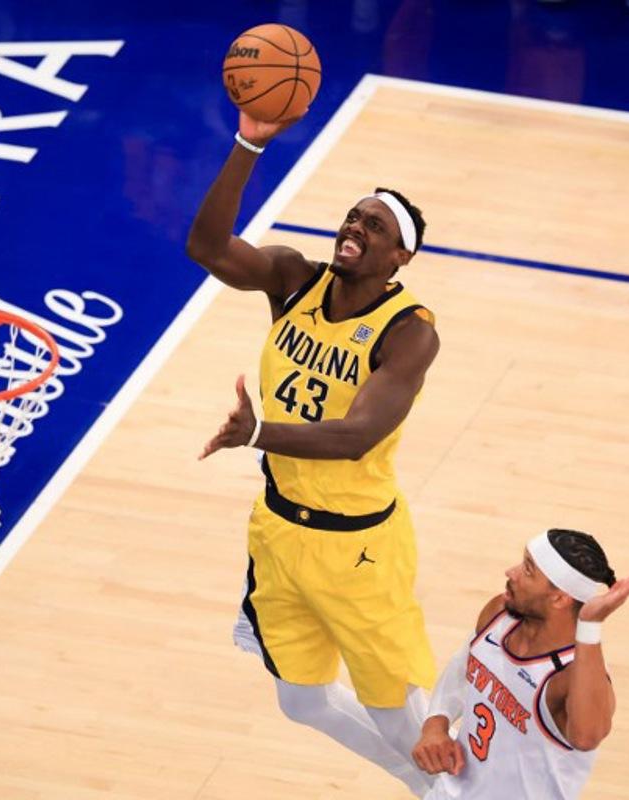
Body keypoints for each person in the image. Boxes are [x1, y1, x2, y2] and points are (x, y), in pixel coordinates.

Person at [187, 111, 440, 797]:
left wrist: (257, 433)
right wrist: (248, 143)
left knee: (397, 714)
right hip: (279, 530)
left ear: (400, 258)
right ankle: (430, 786)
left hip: (358, 548)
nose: (355, 229)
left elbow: (356, 436)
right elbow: (207, 246)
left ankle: (448, 790)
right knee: (300, 701)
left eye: (374, 227)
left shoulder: (409, 333)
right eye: (353, 218)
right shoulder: (295, 278)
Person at [412, 529, 629, 799]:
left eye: (527, 570)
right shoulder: (500, 614)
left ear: (559, 598)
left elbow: (587, 738)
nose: (510, 572)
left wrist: (590, 626)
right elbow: (466, 662)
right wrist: (436, 722)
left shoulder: (570, 675)